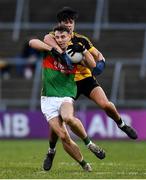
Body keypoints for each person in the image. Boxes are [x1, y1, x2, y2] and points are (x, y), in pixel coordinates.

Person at [43, 7, 138, 171]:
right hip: (67, 81)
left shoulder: (82, 40)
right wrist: (61, 53)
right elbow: (45, 40)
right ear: (59, 24)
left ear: (74, 23)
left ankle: (121, 124)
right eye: (65, 22)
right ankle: (51, 151)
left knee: (106, 104)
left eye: (71, 22)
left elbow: (98, 56)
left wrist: (99, 64)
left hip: (85, 78)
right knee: (56, 123)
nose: (69, 24)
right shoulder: (54, 37)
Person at [29, 25, 105, 172]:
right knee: (63, 136)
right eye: (57, 37)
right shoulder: (49, 49)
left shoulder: (74, 54)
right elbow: (32, 42)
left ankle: (89, 144)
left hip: (65, 95)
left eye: (63, 37)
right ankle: (84, 164)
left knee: (68, 118)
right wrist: (52, 49)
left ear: (69, 37)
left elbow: (93, 66)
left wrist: (83, 50)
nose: (60, 40)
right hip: (48, 98)